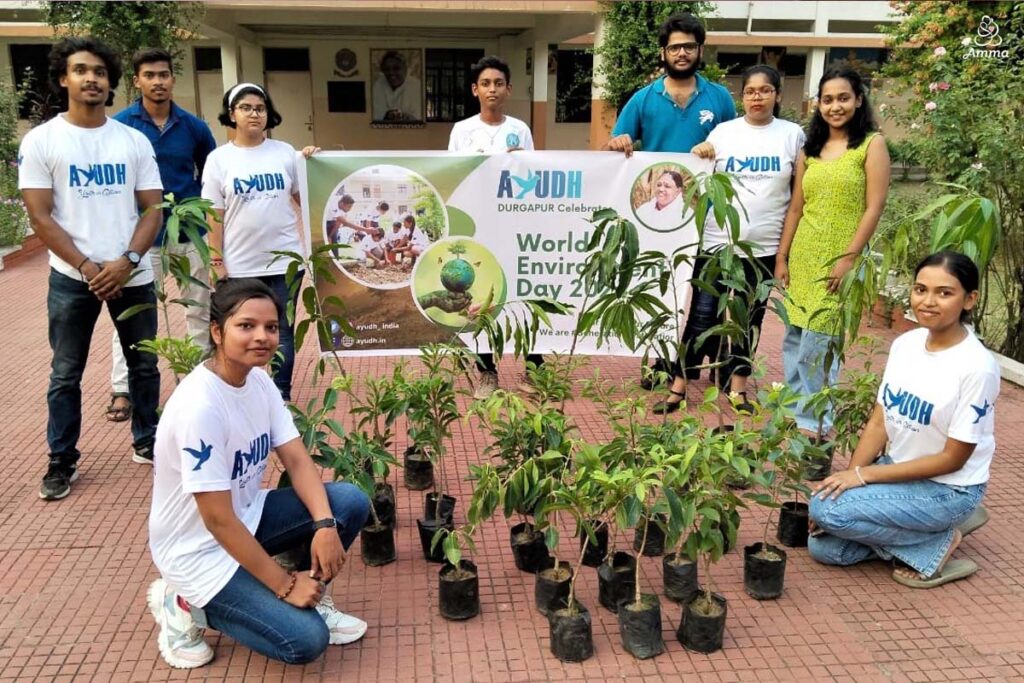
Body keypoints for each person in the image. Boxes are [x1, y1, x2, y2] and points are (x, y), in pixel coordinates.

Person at [147, 278, 370, 668]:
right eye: (246, 326)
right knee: (305, 641)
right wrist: (284, 586)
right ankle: (183, 603)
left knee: (348, 502)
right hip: (197, 551)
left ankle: (309, 594)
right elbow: (216, 520)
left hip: (247, 519)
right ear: (217, 332)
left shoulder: (258, 381)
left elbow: (297, 460)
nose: (262, 337)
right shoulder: (201, 408)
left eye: (271, 327)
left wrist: (325, 525)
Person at [19, 37, 164, 499]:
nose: (92, 79)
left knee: (144, 366)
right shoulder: (43, 140)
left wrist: (128, 261)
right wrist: (85, 265)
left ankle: (147, 440)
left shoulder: (132, 140)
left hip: (132, 275)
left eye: (100, 72)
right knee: (66, 372)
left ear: (110, 82)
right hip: (70, 277)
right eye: (81, 70)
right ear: (64, 77)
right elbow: (40, 216)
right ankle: (62, 459)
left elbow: (153, 209)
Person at [808, 251, 998, 589]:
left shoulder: (976, 368)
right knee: (825, 547)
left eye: (944, 293)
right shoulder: (906, 344)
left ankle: (937, 541)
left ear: (970, 300)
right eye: (920, 289)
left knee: (828, 512)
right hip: (898, 467)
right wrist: (848, 477)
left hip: (947, 489)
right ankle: (926, 537)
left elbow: (952, 459)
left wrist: (864, 478)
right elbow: (879, 422)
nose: (928, 301)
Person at [653, 65, 805, 414]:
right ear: (742, 96)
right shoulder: (723, 132)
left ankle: (737, 390)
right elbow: (696, 173)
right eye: (751, 91)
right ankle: (678, 387)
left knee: (749, 320)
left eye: (765, 90)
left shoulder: (792, 135)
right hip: (717, 244)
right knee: (701, 318)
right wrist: (701, 152)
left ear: (777, 95)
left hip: (763, 248)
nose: (757, 97)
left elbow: (798, 196)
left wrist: (784, 254)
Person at [601, 12, 736, 390]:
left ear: (699, 50)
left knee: (707, 297)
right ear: (663, 52)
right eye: (674, 47)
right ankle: (661, 361)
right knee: (663, 294)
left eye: (688, 47)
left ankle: (700, 359)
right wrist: (618, 143)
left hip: (709, 216)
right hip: (659, 220)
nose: (681, 53)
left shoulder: (719, 98)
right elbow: (612, 149)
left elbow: (735, 147)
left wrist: (717, 149)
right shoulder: (643, 100)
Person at [775, 68, 890, 439]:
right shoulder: (810, 148)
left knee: (820, 345)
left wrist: (849, 258)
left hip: (840, 259)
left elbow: (874, 207)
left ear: (858, 100)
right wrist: (782, 256)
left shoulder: (871, 145)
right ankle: (794, 417)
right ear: (818, 104)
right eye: (827, 99)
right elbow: (796, 208)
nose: (835, 106)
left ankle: (816, 431)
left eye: (843, 98)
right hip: (805, 255)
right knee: (795, 337)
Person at [106, 48, 218, 425]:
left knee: (197, 307)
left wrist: (195, 209)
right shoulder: (121, 126)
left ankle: (197, 381)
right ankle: (123, 389)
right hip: (139, 238)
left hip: (188, 232)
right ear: (136, 81)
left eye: (164, 75)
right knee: (133, 315)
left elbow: (209, 170)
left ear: (173, 79)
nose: (158, 82)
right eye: (150, 75)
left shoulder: (193, 126)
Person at [201, 82, 317, 402]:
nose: (255, 114)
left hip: (286, 261)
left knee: (282, 331)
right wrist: (215, 259)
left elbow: (306, 198)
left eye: (261, 108)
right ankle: (243, 393)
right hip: (240, 265)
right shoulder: (219, 160)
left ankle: (281, 397)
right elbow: (214, 214)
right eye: (246, 108)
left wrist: (312, 164)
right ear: (231, 114)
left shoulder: (285, 154)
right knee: (241, 332)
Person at [448, 55, 539, 398]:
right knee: (481, 297)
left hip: (514, 225)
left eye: (498, 83)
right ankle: (487, 373)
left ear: (509, 89)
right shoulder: (462, 131)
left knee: (524, 294)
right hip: (478, 225)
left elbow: (533, 176)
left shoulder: (520, 130)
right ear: (475, 90)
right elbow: (456, 174)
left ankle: (534, 370)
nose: (492, 90)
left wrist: (519, 160)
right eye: (485, 84)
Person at [371, 50, 423, 122]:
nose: (391, 73)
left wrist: (405, 117)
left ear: (405, 69)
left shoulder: (417, 86)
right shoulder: (378, 84)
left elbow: (419, 120)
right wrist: (387, 115)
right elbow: (376, 117)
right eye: (387, 69)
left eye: (396, 68)